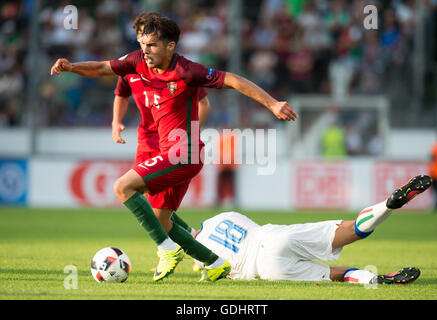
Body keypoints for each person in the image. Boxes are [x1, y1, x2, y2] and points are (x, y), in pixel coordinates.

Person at [50, 12, 297, 282]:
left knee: (123, 187)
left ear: (170, 46)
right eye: (142, 44)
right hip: (163, 150)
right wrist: (72, 67)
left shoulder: (187, 71)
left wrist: (272, 103)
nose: (145, 51)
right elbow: (100, 69)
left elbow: (234, 81)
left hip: (183, 153)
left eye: (152, 45)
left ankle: (167, 250)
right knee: (161, 220)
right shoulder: (135, 61)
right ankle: (214, 262)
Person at [194, 175, 431, 284]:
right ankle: (387, 205)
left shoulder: (199, 252)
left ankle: (375, 279)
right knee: (352, 230)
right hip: (274, 237)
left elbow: (215, 267)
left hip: (266, 269)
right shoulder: (223, 216)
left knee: (336, 273)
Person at [112, 12, 210, 237]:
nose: (144, 43)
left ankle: (176, 250)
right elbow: (121, 95)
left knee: (156, 211)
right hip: (146, 140)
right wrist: (116, 122)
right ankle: (195, 236)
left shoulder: (178, 72)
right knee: (148, 205)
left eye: (150, 38)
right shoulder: (132, 65)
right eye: (141, 37)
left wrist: (188, 133)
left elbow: (204, 104)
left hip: (172, 143)